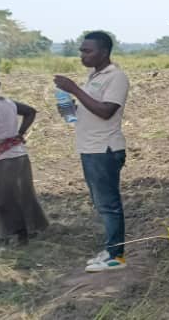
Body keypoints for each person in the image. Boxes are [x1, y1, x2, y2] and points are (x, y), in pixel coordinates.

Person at [53, 31, 130, 273]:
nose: (82, 55)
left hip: (104, 149)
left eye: (87, 50)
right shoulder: (94, 76)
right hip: (90, 147)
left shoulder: (116, 77)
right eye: (81, 50)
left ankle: (116, 257)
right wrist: (70, 108)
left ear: (104, 52)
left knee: (109, 205)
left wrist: (74, 89)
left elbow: (107, 110)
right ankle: (110, 250)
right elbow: (92, 108)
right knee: (101, 203)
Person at [0, 70, 48, 245]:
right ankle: (23, 235)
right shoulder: (8, 103)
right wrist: (19, 134)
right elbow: (31, 112)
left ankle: (3, 238)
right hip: (18, 156)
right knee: (20, 197)